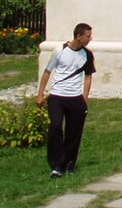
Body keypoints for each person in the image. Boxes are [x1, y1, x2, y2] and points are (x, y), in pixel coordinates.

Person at [36, 22, 95, 178]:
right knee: (55, 127)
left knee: (73, 132)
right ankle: (56, 164)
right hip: (57, 96)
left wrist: (85, 98)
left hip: (75, 98)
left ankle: (68, 164)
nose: (90, 39)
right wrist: (40, 94)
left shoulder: (87, 55)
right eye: (88, 36)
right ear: (79, 36)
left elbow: (88, 77)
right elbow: (47, 72)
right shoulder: (59, 50)